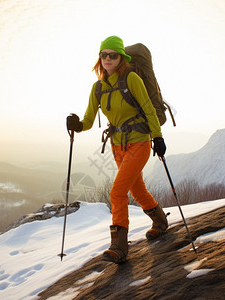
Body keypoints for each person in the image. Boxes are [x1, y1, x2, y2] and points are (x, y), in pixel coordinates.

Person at [66, 36, 168, 264]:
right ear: (99, 58)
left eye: (113, 55)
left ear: (122, 57)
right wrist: (77, 125)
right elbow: (89, 121)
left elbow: (149, 111)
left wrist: (158, 138)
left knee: (117, 192)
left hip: (139, 142)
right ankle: (160, 222)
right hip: (117, 147)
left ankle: (119, 246)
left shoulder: (132, 78)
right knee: (138, 190)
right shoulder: (98, 88)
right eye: (104, 55)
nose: (108, 59)